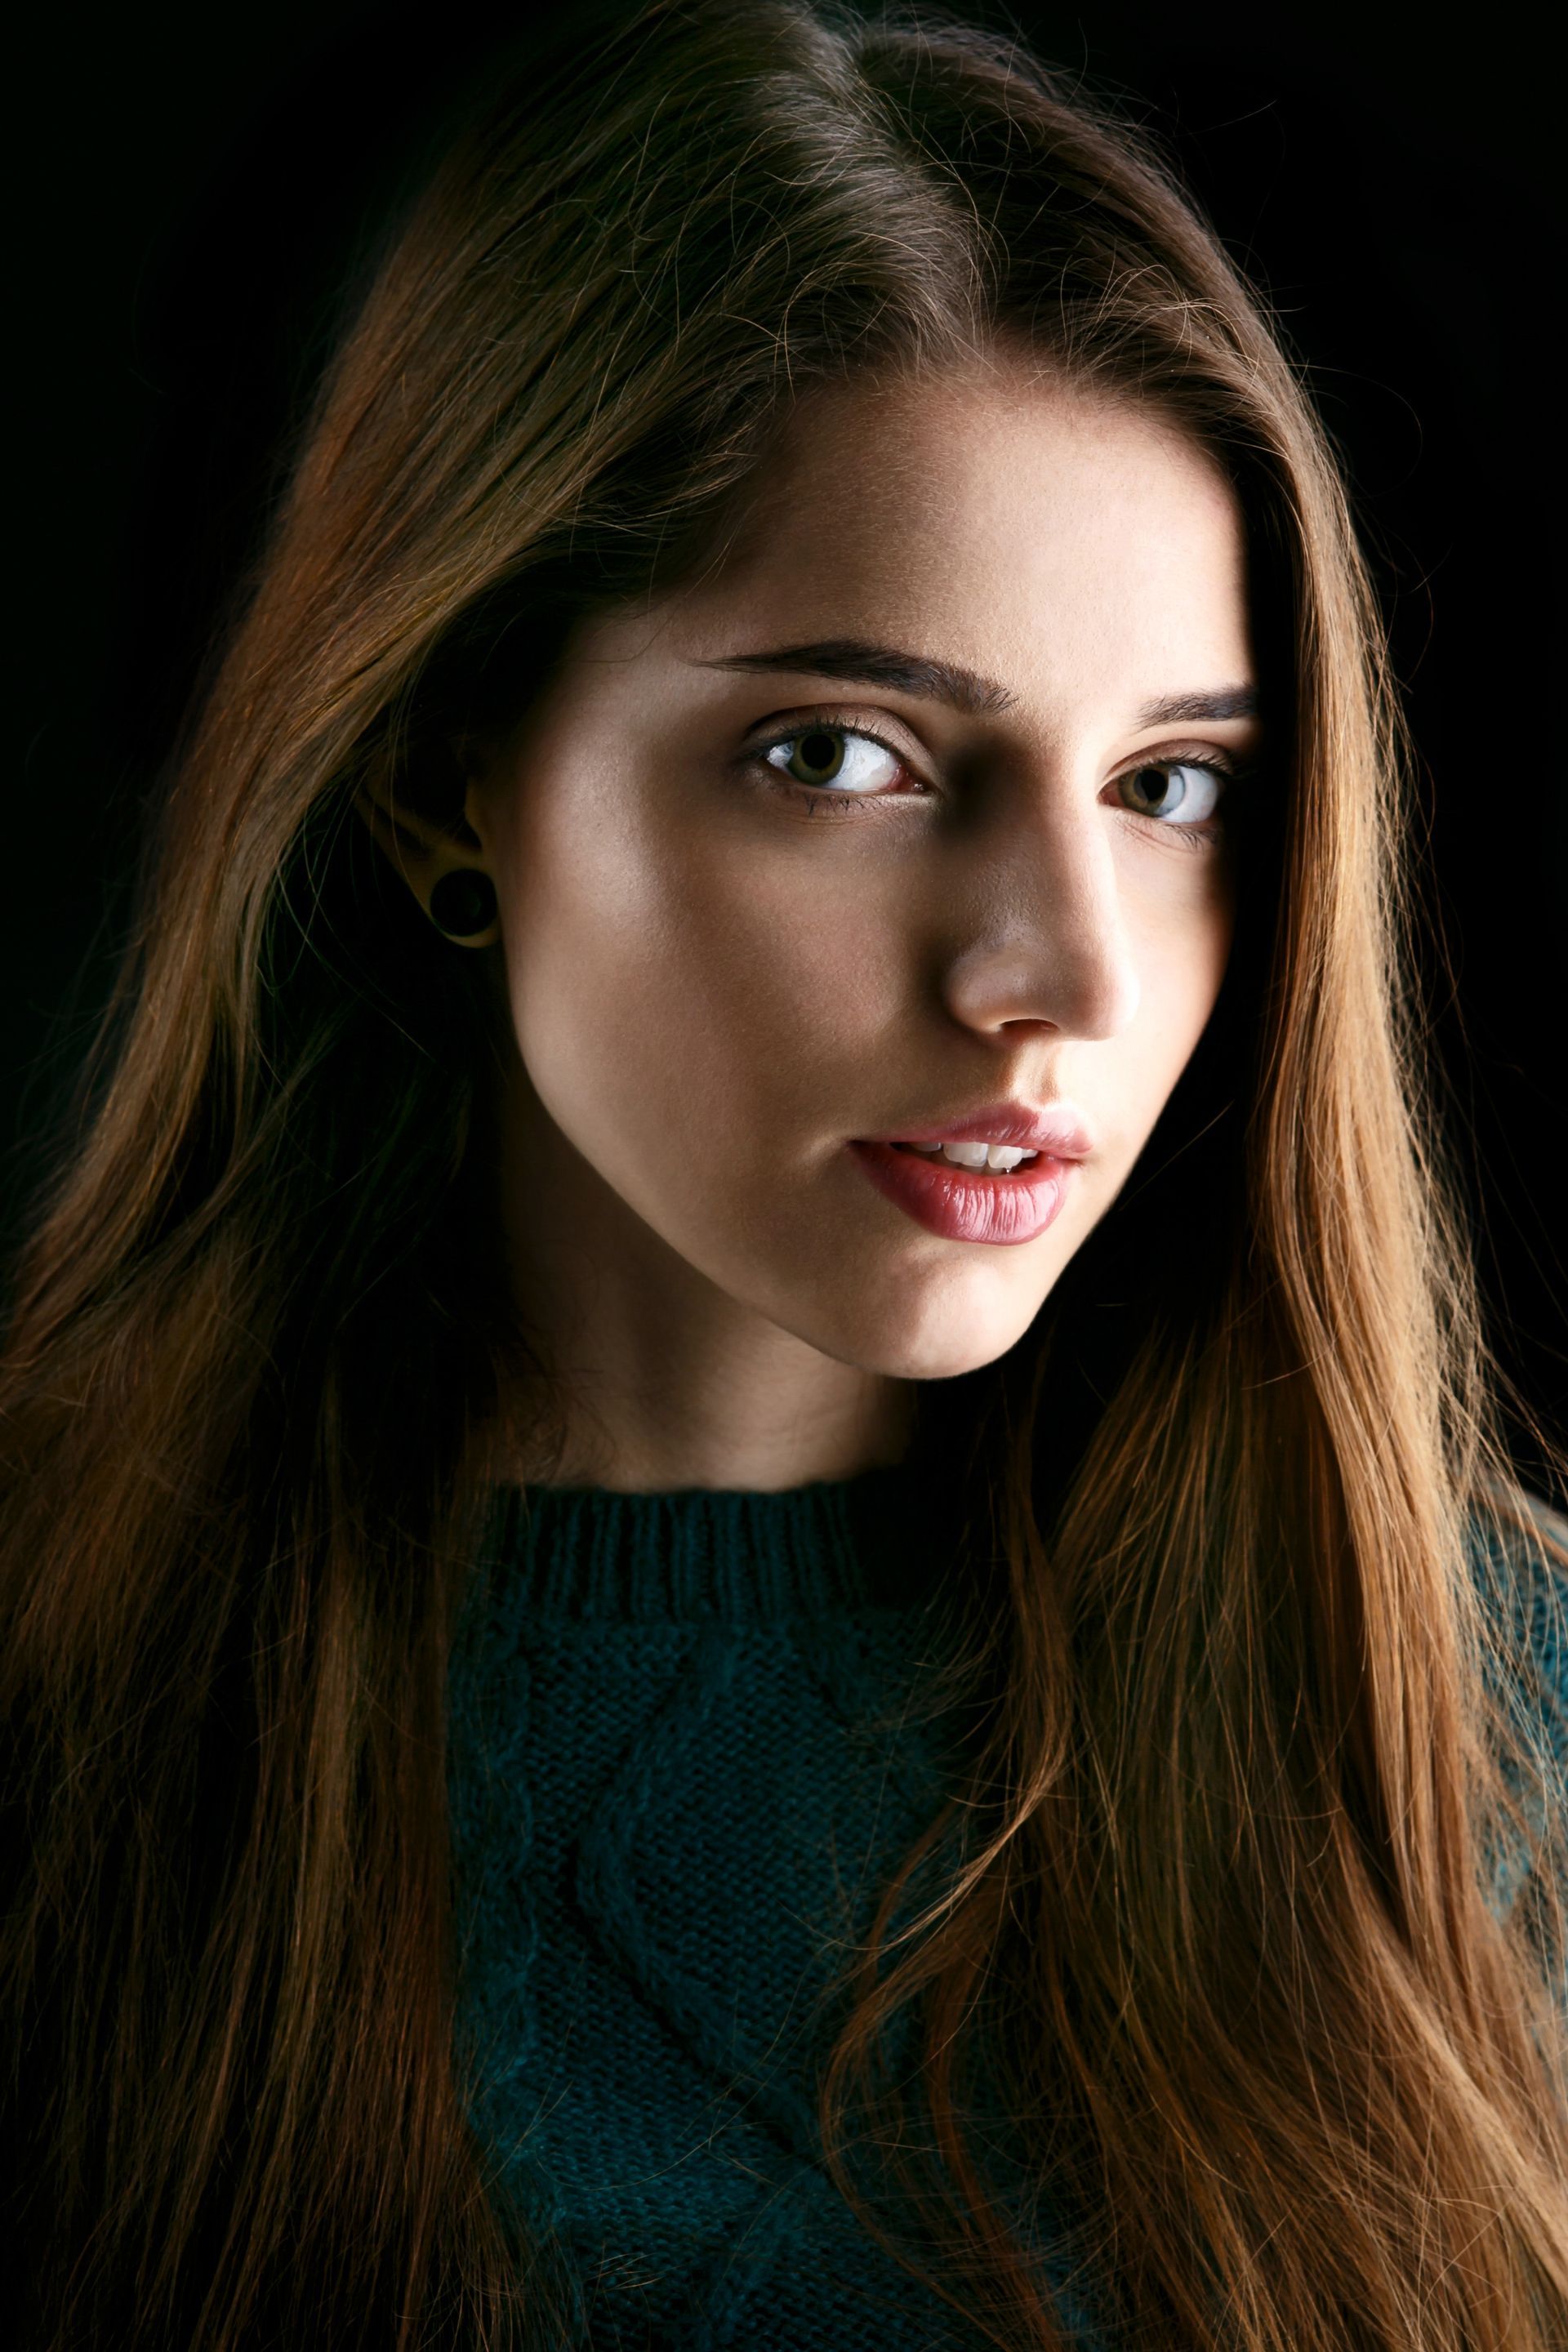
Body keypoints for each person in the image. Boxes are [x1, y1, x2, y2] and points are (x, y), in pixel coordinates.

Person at [3, 2, 1565, 2345]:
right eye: (841, 754)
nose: (1061, 977)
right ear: (448, 775)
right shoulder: (67, 1683)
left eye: (1172, 790)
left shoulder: (1476, 1707)